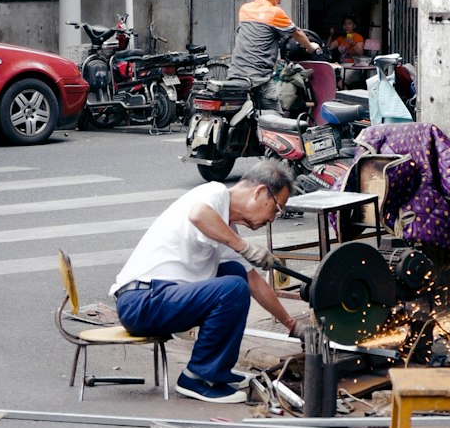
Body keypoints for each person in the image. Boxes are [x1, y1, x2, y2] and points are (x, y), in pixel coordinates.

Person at [111, 159, 307, 404]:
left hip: (161, 298)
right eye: (277, 209)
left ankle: (218, 372)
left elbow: (254, 282)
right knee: (232, 289)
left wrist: (292, 326)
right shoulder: (213, 193)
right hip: (142, 301)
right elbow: (198, 214)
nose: (272, 219)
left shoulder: (225, 229)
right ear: (260, 193)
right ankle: (196, 376)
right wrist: (245, 247)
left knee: (236, 273)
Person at [227, 0, 320, 84]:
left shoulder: (245, 8)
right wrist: (310, 47)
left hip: (236, 71)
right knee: (272, 100)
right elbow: (297, 33)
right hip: (257, 75)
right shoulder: (275, 12)